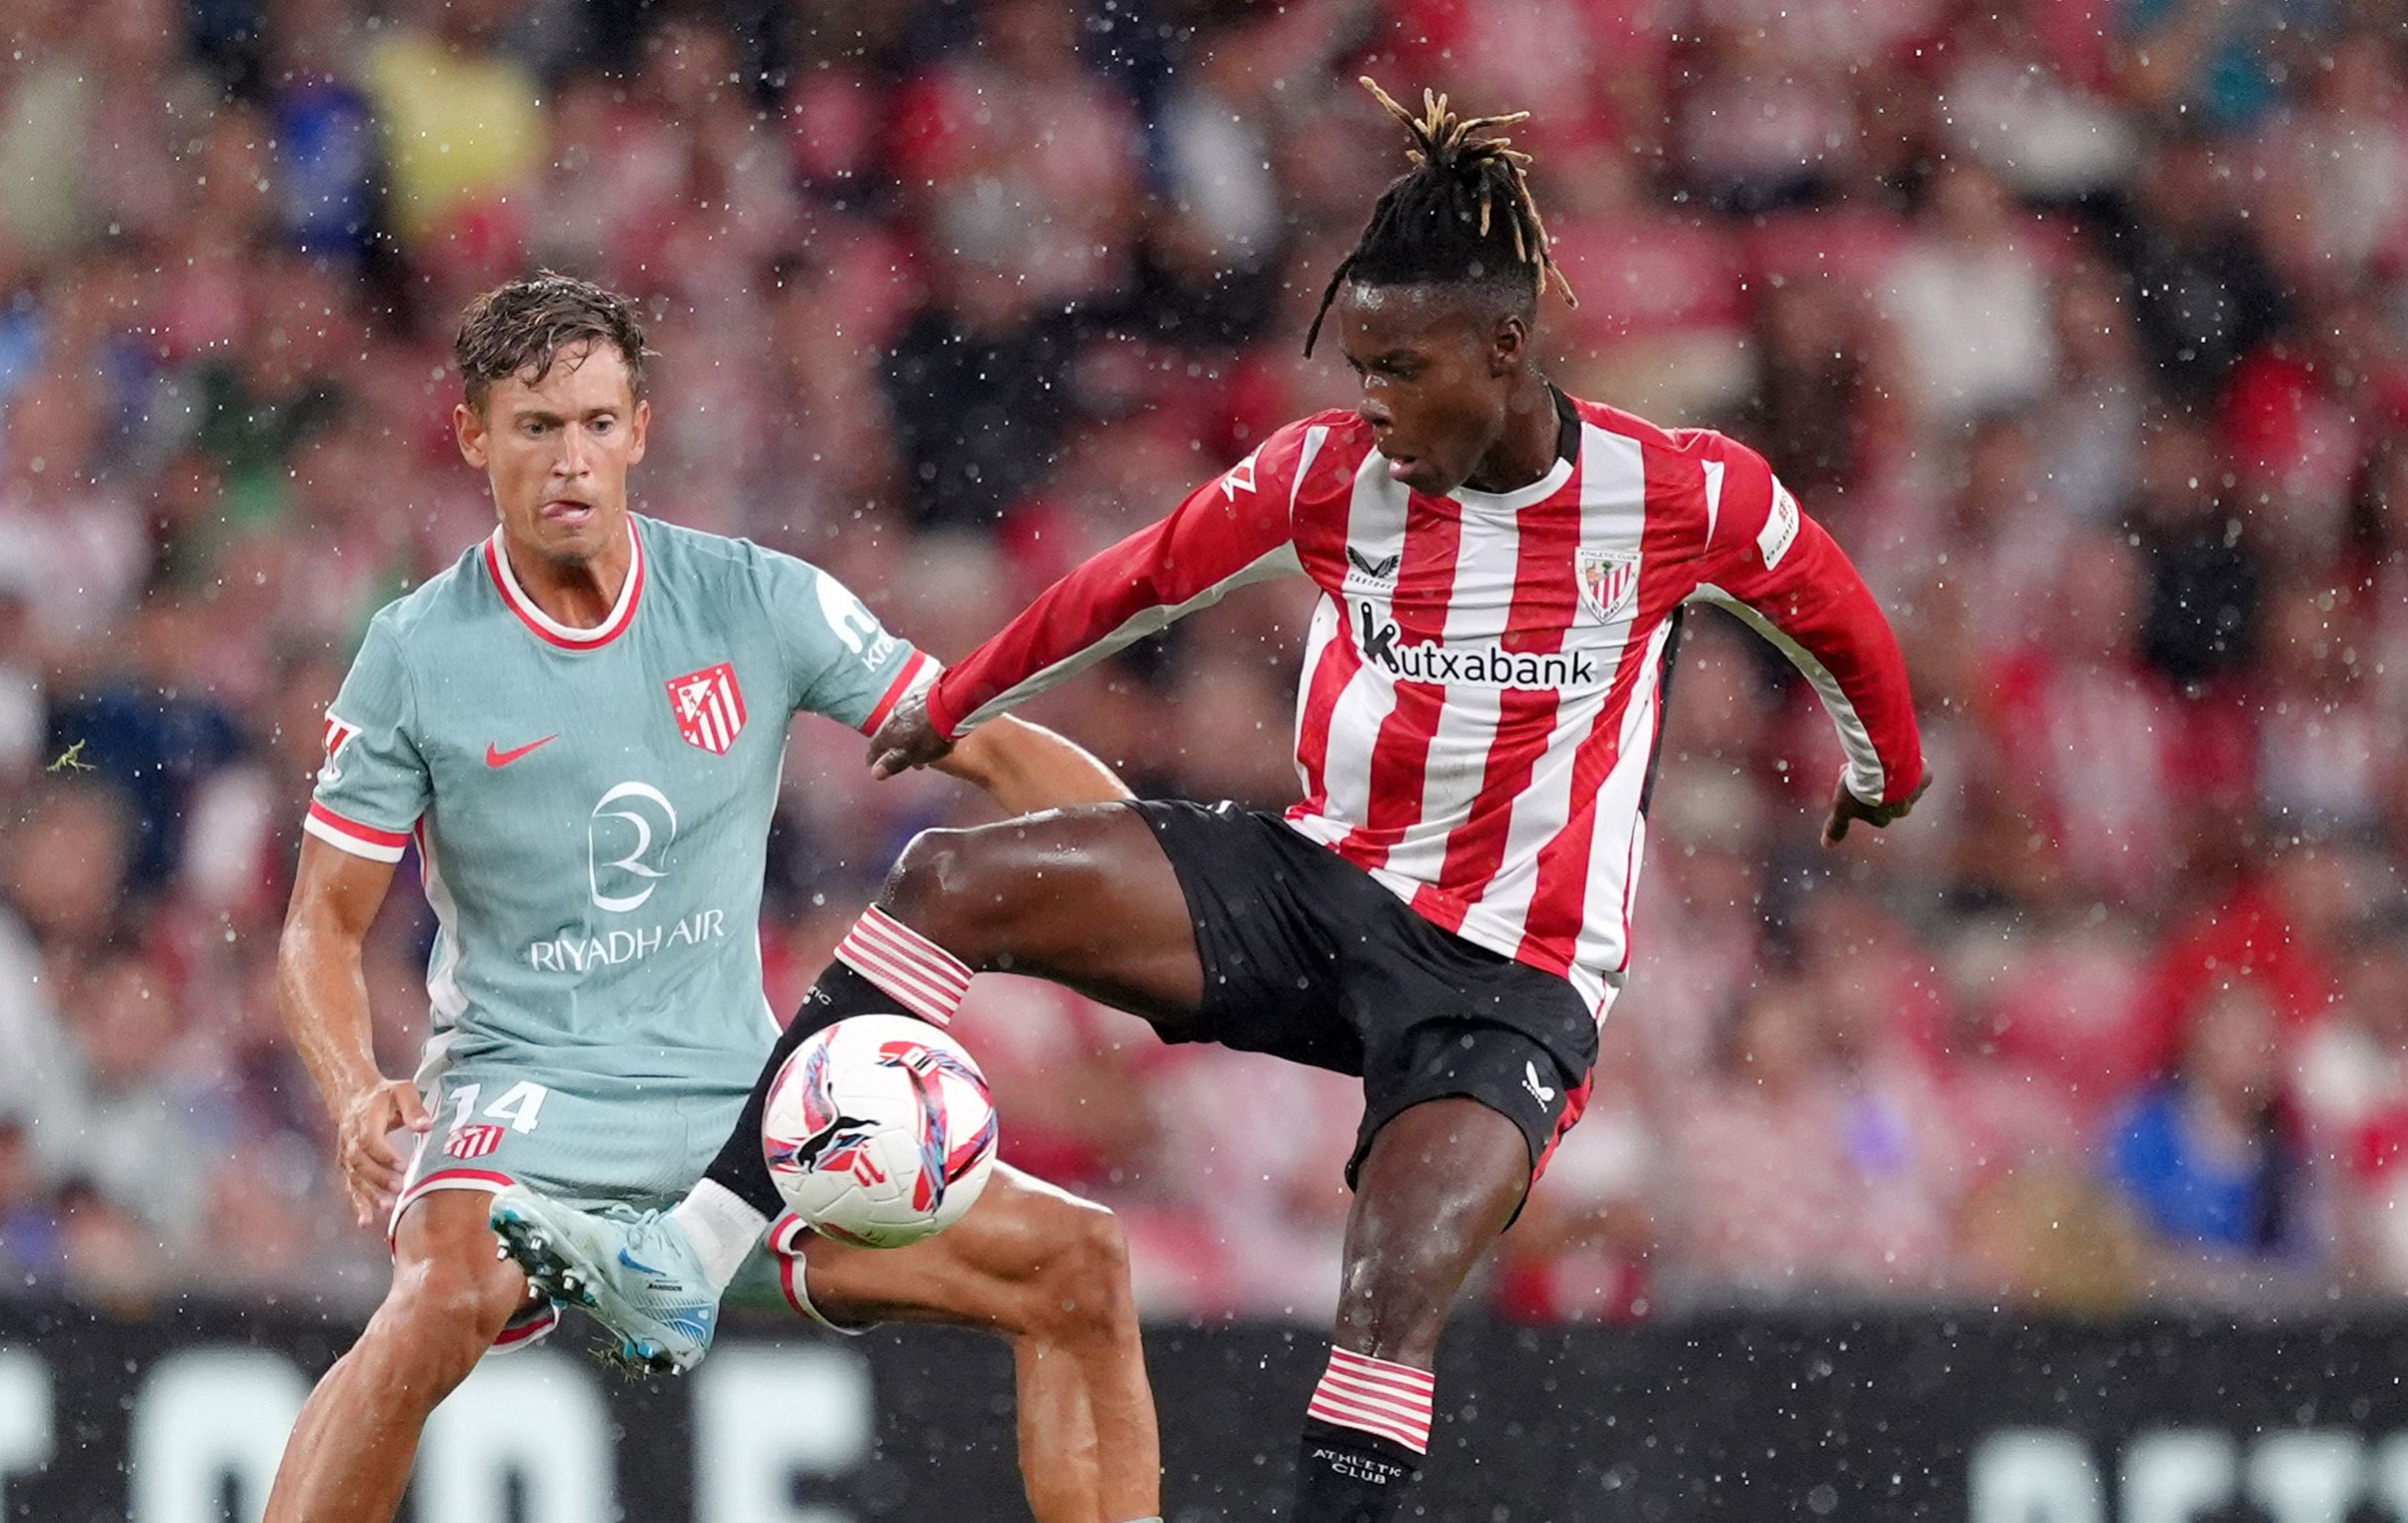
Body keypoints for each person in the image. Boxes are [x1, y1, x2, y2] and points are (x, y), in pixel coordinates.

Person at [499, 84, 1933, 1522]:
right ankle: (690, 1251)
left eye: (1399, 366)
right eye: (1356, 363)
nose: (1368, 400)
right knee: (951, 878)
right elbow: (1138, 581)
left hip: (1513, 981)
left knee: (1382, 1294)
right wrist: (962, 693)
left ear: (1503, 348)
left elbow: (1838, 622)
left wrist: (1885, 775)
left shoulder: (1675, 494)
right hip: (1317, 890)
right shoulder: (1333, 475)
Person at [263, 275, 1163, 1523]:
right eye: (534, 428)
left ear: (640, 427)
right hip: (526, 1087)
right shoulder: (416, 654)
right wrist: (357, 1091)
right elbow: (321, 922)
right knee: (439, 1301)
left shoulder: (754, 600)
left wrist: (1174, 881)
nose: (568, 460)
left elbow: (990, 744)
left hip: (742, 1110)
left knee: (1077, 1267)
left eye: (593, 423)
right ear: (473, 437)